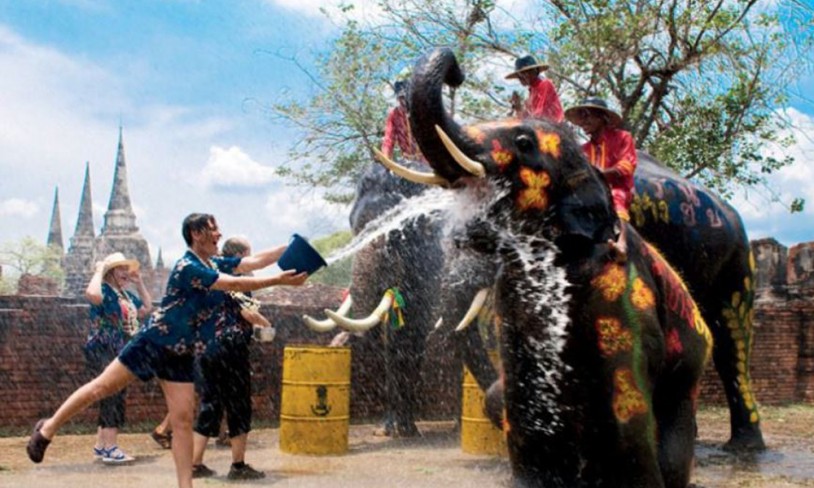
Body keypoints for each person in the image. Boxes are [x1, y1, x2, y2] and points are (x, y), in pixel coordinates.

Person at [27, 213, 309, 488]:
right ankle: (47, 428)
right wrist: (278, 280)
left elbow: (252, 262)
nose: (218, 234)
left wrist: (291, 247)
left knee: (183, 421)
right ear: (196, 234)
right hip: (154, 342)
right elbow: (233, 283)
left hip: (181, 351)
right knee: (101, 388)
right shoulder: (189, 267)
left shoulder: (212, 262)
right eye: (213, 229)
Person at [191, 236, 272, 480]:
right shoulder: (239, 279)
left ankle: (194, 464)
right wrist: (265, 324)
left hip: (207, 348)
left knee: (210, 405)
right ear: (241, 258)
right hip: (231, 348)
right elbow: (248, 313)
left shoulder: (208, 274)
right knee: (239, 405)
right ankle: (238, 465)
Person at [84, 252, 152, 464]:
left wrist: (139, 283)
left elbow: (146, 310)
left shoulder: (125, 295)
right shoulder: (103, 289)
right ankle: (111, 446)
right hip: (104, 347)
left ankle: (102, 445)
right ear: (110, 273)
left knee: (110, 394)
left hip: (121, 347)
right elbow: (92, 296)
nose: (125, 273)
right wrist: (98, 271)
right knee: (112, 394)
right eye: (120, 269)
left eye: (126, 269)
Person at [564, 97, 638, 260]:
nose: (584, 121)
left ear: (602, 117)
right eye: (581, 117)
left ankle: (622, 242)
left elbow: (627, 165)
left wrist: (600, 175)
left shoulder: (623, 137)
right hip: (591, 192)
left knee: (616, 196)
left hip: (616, 187)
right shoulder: (582, 150)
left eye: (588, 115)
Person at [506, 54, 564, 123]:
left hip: (555, 127)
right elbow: (525, 118)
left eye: (526, 72)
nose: (523, 77)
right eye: (520, 74)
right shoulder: (531, 94)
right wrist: (518, 107)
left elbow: (540, 115)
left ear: (535, 71)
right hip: (539, 127)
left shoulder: (545, 84)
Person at [381, 80, 423, 162]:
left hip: (427, 160)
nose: (403, 101)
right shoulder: (394, 115)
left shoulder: (422, 111)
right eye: (400, 97)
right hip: (408, 162)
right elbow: (388, 139)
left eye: (405, 97)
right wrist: (386, 157)